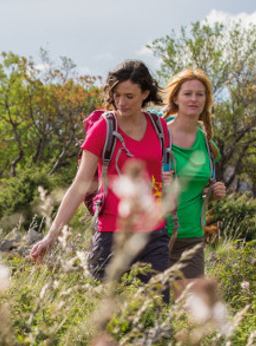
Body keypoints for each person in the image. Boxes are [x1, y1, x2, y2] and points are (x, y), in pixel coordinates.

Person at [29, 60, 172, 297]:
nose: (122, 102)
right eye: (117, 95)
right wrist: (51, 236)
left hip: (154, 233)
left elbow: (159, 172)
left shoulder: (159, 128)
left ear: (145, 93)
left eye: (129, 96)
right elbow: (79, 186)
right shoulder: (104, 129)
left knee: (158, 309)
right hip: (111, 234)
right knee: (102, 308)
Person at [160, 68, 227, 287]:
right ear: (176, 99)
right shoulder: (159, 137)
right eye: (187, 93)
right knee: (155, 310)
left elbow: (198, 188)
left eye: (200, 94)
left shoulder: (207, 145)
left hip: (192, 237)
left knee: (192, 315)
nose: (194, 99)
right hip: (156, 236)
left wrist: (214, 192)